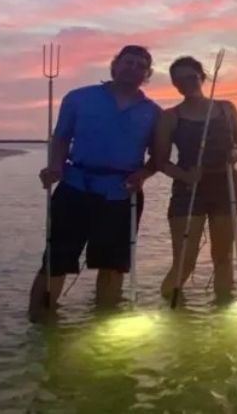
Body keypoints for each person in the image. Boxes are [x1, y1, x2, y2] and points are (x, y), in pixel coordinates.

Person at [28, 45, 162, 322]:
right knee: (55, 260)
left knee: (113, 266)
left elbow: (158, 157)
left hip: (122, 194)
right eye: (129, 62)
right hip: (75, 186)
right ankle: (39, 325)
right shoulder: (78, 98)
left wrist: (144, 174)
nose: (134, 68)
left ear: (147, 74)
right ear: (115, 65)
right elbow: (62, 138)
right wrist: (54, 166)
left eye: (141, 66)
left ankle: (103, 327)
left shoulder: (154, 112)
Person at [156, 56, 237, 305]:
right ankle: (168, 313)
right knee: (184, 262)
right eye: (179, 80)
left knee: (223, 257)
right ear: (175, 85)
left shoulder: (226, 108)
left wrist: (236, 153)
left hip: (225, 186)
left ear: (202, 77)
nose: (186, 83)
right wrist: (185, 175)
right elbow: (160, 161)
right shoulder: (170, 117)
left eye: (191, 77)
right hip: (188, 189)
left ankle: (223, 315)